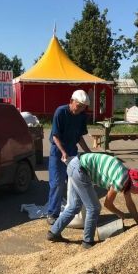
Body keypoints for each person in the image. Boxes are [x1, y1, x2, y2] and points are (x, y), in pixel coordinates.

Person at [47, 153, 138, 249]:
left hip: (75, 165)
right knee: (94, 207)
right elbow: (108, 204)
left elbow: (130, 203)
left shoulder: (126, 177)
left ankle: (53, 233)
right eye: (137, 192)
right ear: (135, 186)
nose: (136, 194)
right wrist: (119, 213)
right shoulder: (121, 180)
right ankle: (88, 241)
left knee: (74, 206)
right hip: (80, 169)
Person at [47, 90, 91, 225]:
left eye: (83, 107)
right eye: (78, 106)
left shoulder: (81, 116)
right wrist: (63, 152)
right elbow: (55, 135)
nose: (80, 109)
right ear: (71, 101)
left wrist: (89, 152)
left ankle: (75, 211)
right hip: (58, 152)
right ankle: (52, 214)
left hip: (72, 151)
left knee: (76, 182)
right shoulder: (61, 112)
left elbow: (79, 137)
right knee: (57, 183)